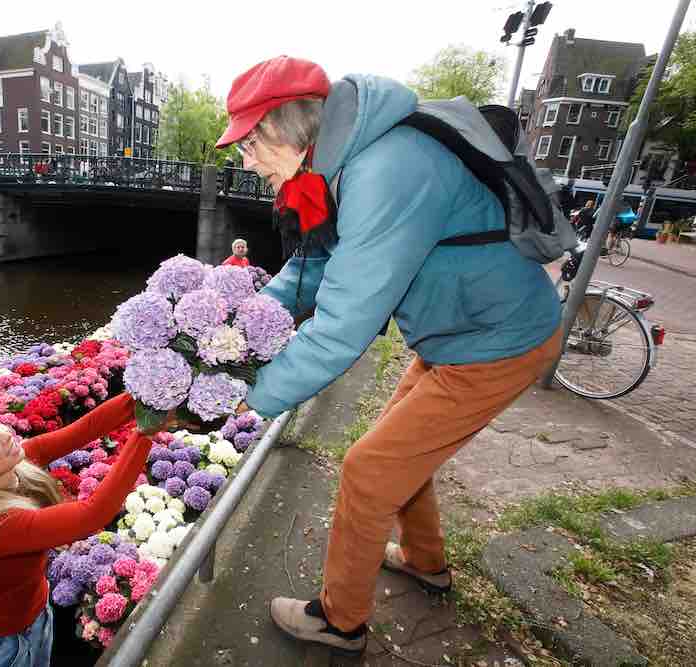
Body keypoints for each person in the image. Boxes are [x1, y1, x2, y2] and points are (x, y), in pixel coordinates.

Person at [217, 56, 562, 653]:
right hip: (457, 336)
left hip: (496, 343)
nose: (244, 160)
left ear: (284, 127)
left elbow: (342, 326)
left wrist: (242, 398)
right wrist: (244, 319)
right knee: (402, 452)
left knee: (369, 472)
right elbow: (316, 262)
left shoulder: (385, 170)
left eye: (248, 142)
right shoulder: (346, 162)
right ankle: (427, 562)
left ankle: (339, 620)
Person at [0, 393, 170, 667]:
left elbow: (83, 430)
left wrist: (146, 395)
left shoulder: (15, 466)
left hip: (33, 621)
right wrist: (145, 433)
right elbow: (92, 514)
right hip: (3, 652)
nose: (4, 434)